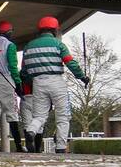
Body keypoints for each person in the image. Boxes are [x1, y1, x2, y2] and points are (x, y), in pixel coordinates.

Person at [22, 16, 89, 153]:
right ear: (55, 30)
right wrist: (82, 77)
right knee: (63, 116)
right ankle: (60, 147)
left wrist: (30, 84)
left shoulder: (28, 46)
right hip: (56, 82)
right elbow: (70, 62)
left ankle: (31, 130)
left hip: (38, 83)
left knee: (39, 116)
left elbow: (24, 71)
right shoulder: (58, 44)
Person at [0, 20, 26, 152]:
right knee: (12, 114)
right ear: (8, 32)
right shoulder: (10, 45)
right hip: (6, 80)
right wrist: (18, 84)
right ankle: (19, 145)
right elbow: (13, 66)